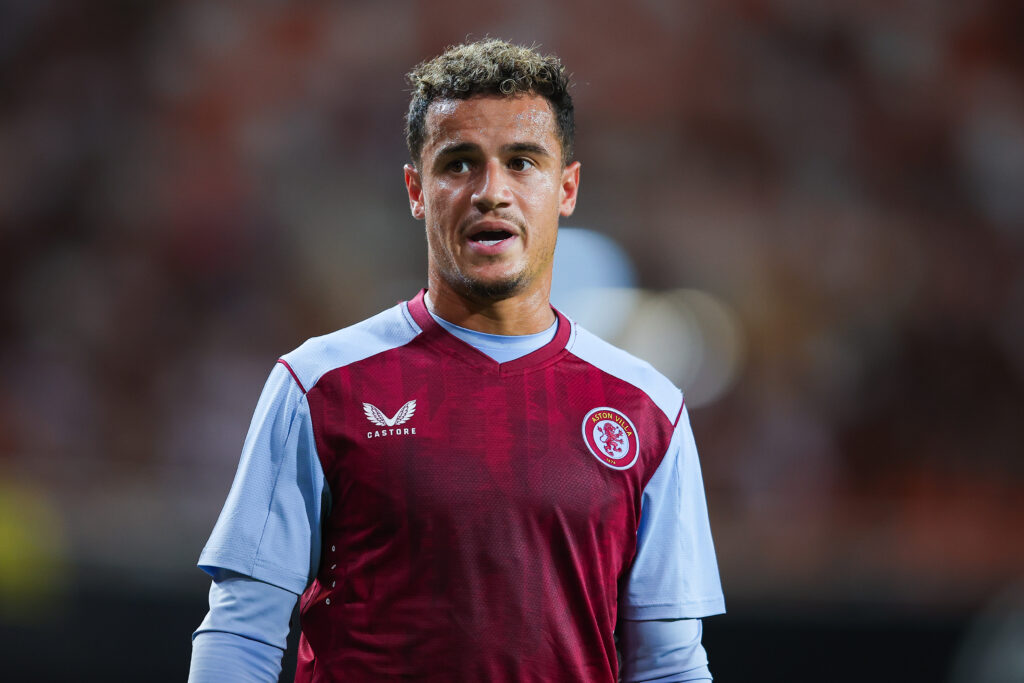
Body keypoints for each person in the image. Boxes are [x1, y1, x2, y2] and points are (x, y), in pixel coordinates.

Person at [189, 39, 724, 682]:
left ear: (567, 188)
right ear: (417, 189)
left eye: (522, 162)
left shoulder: (649, 408)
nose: (490, 191)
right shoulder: (318, 384)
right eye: (459, 163)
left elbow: (667, 664)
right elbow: (243, 631)